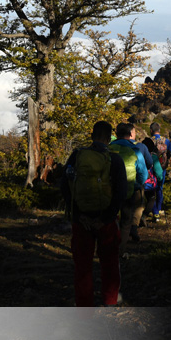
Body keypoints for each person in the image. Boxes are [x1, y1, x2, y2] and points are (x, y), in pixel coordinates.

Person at [61, 120, 128, 307]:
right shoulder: (115, 160)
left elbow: (64, 184)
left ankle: (84, 307)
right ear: (109, 138)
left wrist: (77, 215)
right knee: (110, 264)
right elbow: (121, 192)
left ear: (91, 136)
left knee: (83, 267)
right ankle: (110, 302)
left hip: (81, 220)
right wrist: (107, 218)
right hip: (105, 222)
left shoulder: (77, 155)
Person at [109, 122, 151, 249]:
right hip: (129, 189)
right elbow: (143, 173)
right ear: (129, 135)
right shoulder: (135, 150)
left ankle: (108, 246)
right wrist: (137, 184)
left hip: (109, 190)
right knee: (126, 221)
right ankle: (120, 249)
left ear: (116, 134)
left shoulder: (108, 148)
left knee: (110, 219)